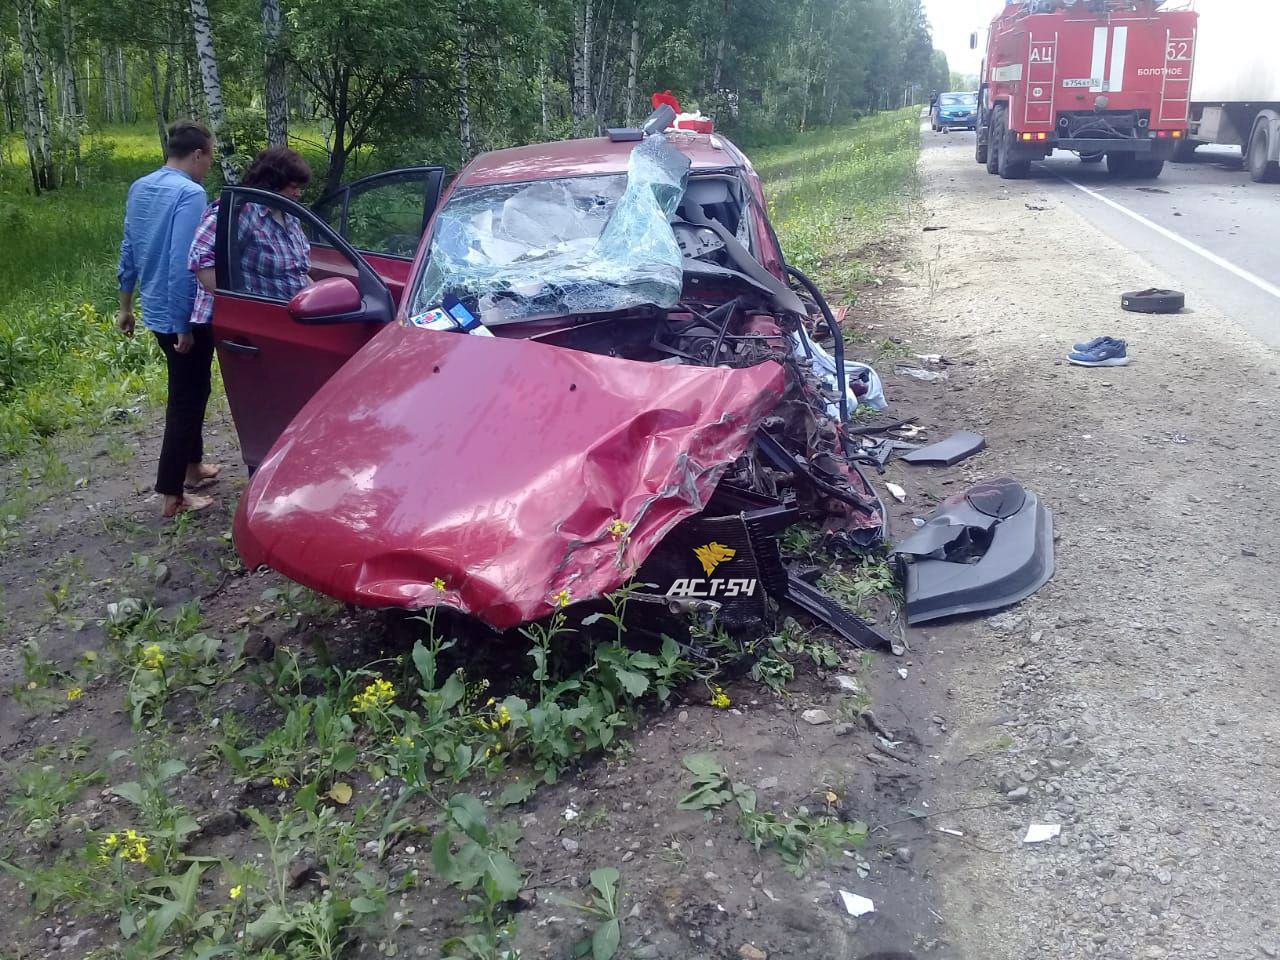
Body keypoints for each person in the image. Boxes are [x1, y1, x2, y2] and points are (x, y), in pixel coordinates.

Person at [117, 120, 220, 519]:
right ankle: (172, 493)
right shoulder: (190, 193)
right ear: (197, 154)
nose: (209, 165)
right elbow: (184, 262)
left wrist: (126, 306)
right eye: (209, 157)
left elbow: (129, 248)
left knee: (195, 387)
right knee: (186, 397)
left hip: (155, 307)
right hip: (184, 313)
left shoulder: (140, 186)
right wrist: (183, 325)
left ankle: (193, 466)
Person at [188, 147, 313, 313]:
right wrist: (245, 311)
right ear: (273, 182)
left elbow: (297, 272)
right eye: (293, 187)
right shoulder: (241, 211)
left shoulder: (290, 216)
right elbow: (201, 261)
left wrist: (317, 300)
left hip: (288, 318)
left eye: (300, 187)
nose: (298, 193)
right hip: (243, 321)